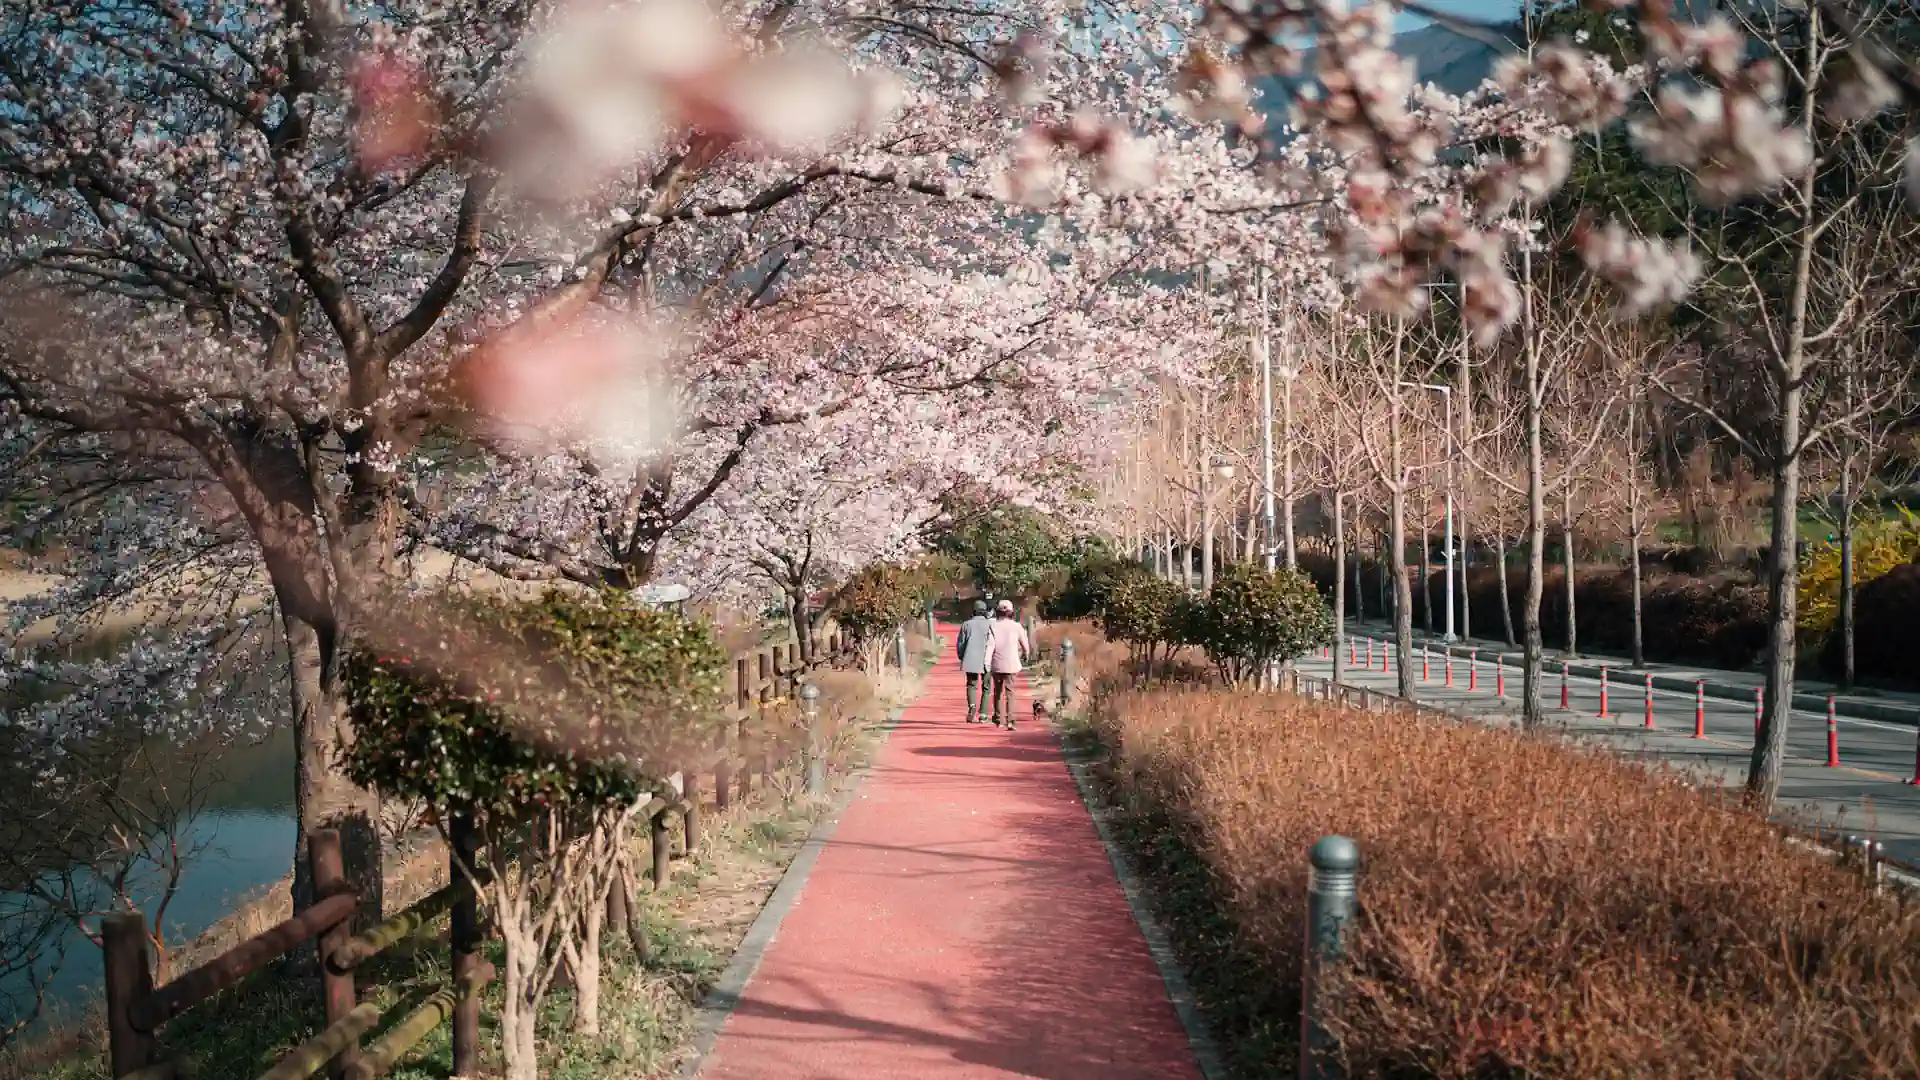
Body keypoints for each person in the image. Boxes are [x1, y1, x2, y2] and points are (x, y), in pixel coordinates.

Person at [986, 598, 1030, 730]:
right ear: (1011, 612)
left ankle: (998, 719)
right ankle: (1011, 720)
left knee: (997, 691)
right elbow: (1025, 644)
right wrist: (1026, 654)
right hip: (1011, 664)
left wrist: (987, 663)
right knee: (1010, 692)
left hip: (997, 664)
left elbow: (990, 646)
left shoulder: (993, 626)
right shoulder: (1017, 626)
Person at [955, 600, 994, 723]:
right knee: (986, 688)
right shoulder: (990, 625)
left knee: (972, 684)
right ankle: (983, 714)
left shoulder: (966, 624)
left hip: (970, 658)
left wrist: (962, 656)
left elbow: (960, 643)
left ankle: (972, 706)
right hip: (987, 659)